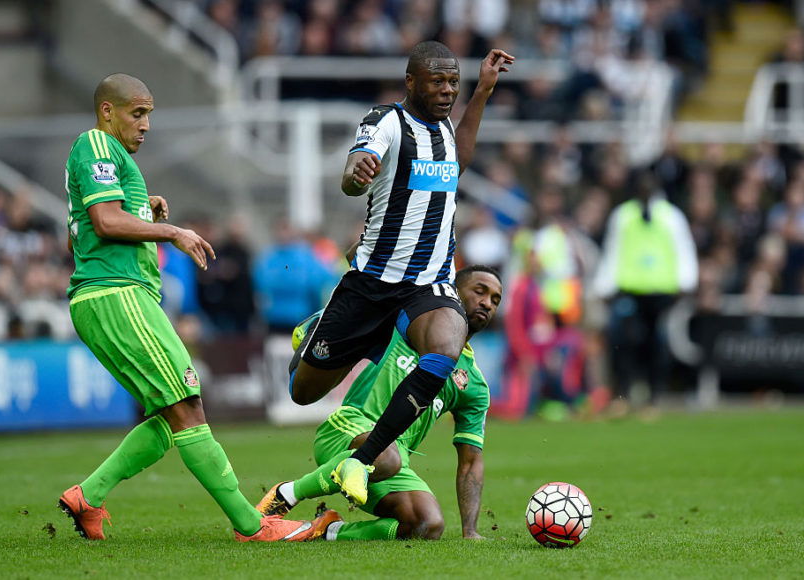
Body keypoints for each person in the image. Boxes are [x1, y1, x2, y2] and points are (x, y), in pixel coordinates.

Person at [58, 73, 337, 542]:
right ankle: (253, 525)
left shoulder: (110, 158)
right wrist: (173, 232)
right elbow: (104, 221)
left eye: (149, 114)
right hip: (116, 295)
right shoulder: (96, 144)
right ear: (107, 111)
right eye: (137, 113)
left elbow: (89, 225)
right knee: (187, 406)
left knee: (171, 416)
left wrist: (141, 207)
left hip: (112, 296)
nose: (145, 124)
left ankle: (89, 495)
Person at [288, 40, 514, 507]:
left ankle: (364, 457)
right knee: (303, 393)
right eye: (438, 81)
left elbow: (459, 161)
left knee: (446, 349)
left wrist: (483, 92)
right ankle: (315, 330)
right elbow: (355, 171)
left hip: (428, 285)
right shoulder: (386, 121)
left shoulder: (446, 131)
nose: (448, 89)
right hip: (372, 284)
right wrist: (356, 174)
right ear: (411, 81)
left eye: (454, 81)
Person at [258, 266, 503, 540]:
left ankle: (325, 531)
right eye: (479, 291)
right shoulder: (409, 320)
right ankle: (288, 494)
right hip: (347, 429)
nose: (487, 303)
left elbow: (471, 461)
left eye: (495, 299)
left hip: (394, 460)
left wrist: (470, 531)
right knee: (386, 456)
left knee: (427, 524)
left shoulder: (475, 386)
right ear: (453, 291)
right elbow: (368, 272)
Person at [593, 169, 698, 414]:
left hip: (661, 292)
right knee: (625, 343)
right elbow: (614, 249)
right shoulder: (624, 215)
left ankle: (653, 398)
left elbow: (683, 248)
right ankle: (624, 395)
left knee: (656, 345)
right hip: (630, 289)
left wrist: (686, 281)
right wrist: (604, 285)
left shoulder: (671, 216)